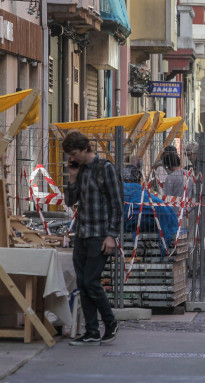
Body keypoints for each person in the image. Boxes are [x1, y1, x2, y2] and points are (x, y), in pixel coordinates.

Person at [62, 130, 121, 346]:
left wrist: (112, 236)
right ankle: (92, 331)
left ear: (86, 148)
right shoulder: (81, 170)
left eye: (74, 153)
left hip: (100, 235)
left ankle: (110, 322)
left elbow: (117, 204)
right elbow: (70, 201)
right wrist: (72, 177)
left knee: (90, 281)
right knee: (82, 283)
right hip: (82, 234)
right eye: (69, 154)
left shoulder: (104, 169)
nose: (72, 158)